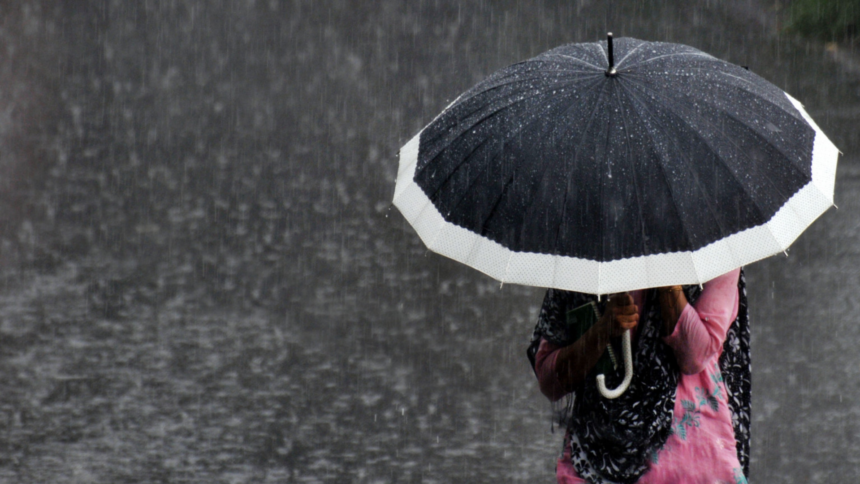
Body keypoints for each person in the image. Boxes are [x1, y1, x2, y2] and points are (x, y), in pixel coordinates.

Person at [527, 268, 750, 484]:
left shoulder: (712, 254)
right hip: (595, 455)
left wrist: (664, 268)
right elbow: (551, 381)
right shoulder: (584, 258)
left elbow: (694, 356)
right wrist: (602, 330)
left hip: (688, 458)